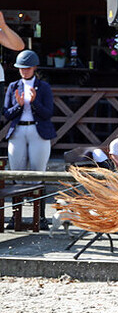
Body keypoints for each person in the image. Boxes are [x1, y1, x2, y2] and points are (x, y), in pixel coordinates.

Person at [3, 50, 57, 229]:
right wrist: (18, 106)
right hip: (18, 130)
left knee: (37, 172)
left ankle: (39, 217)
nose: (24, 71)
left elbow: (48, 113)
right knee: (16, 173)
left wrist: (34, 102)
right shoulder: (12, 86)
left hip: (37, 129)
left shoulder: (44, 87)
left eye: (27, 68)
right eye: (21, 68)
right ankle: (14, 216)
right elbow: (6, 113)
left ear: (34, 68)